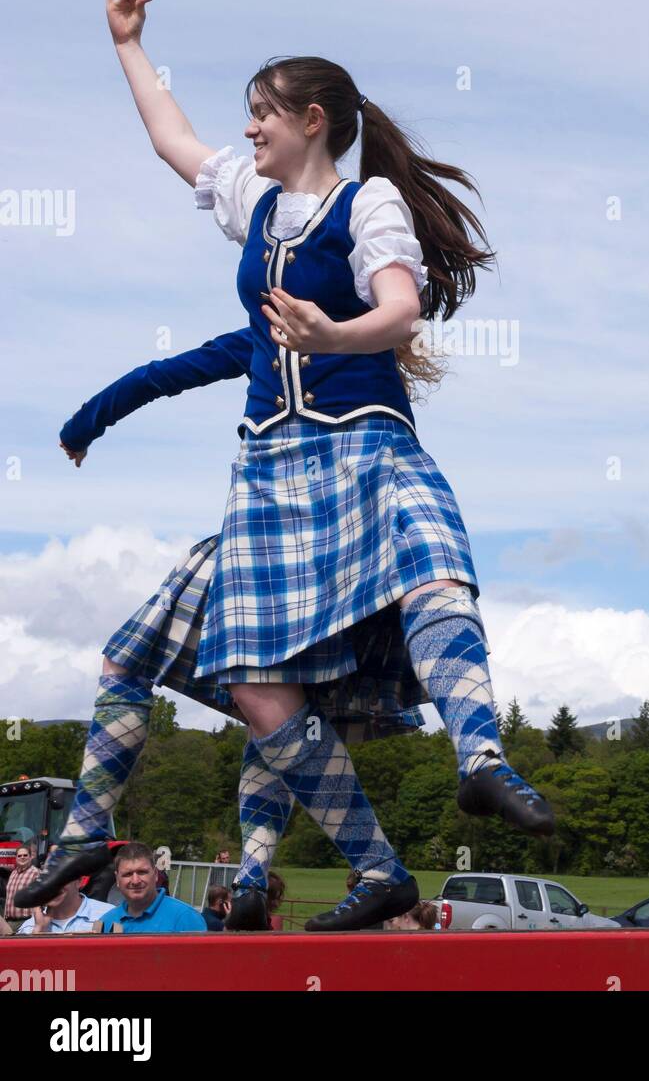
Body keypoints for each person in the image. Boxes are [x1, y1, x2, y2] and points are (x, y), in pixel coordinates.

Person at [20, 0, 554, 936]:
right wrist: (126, 44)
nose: (249, 130)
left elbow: (396, 306)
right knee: (258, 686)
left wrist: (332, 333)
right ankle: (377, 866)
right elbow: (172, 140)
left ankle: (481, 757)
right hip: (269, 471)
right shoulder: (250, 205)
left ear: (312, 119)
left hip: (364, 446)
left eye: (262, 114)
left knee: (434, 564)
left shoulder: (369, 205)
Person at [15, 325, 422, 931]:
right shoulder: (371, 343)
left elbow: (166, 373)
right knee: (275, 711)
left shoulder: (275, 332)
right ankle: (254, 878)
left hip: (271, 549)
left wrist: (84, 423)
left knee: (129, 659)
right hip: (350, 557)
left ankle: (84, 832)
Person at [98, 843, 207, 934]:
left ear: (155, 874)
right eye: (128, 874)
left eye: (142, 872)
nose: (135, 881)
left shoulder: (185, 918)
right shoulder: (105, 922)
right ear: (117, 879)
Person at [16, 879, 111, 935]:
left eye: (61, 878)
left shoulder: (108, 915)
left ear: (79, 881)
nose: (53, 886)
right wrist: (39, 930)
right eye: (48, 879)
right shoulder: (29, 927)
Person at [4, 845, 39, 924]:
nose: (22, 857)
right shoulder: (13, 873)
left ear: (30, 857)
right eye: (19, 856)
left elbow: (42, 898)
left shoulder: (36, 873)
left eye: (25, 855)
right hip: (9, 922)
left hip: (26, 922)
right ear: (16, 858)